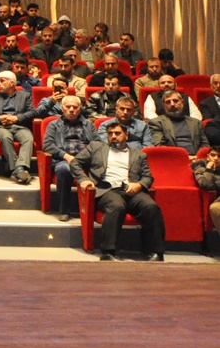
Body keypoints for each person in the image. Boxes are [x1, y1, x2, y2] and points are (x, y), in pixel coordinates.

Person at [71, 120, 165, 261]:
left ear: (126, 135)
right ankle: (108, 252)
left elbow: (148, 177)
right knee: (116, 206)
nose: (113, 136)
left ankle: (156, 252)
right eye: (110, 134)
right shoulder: (96, 147)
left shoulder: (139, 155)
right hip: (107, 190)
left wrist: (139, 185)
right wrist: (83, 179)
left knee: (151, 207)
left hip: (131, 190)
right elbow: (75, 163)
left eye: (117, 133)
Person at [42, 95, 97, 221]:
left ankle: (95, 209)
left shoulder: (88, 124)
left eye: (75, 107)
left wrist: (85, 156)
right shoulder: (53, 125)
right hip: (63, 160)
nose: (71, 109)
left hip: (86, 159)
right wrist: (66, 156)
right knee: (64, 169)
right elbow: (48, 145)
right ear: (62, 108)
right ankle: (64, 210)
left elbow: (98, 143)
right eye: (68, 107)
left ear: (80, 108)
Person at [0, 71, 35, 183]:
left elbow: (33, 112)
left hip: (19, 126)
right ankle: (18, 170)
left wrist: (17, 118)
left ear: (11, 83)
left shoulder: (25, 96)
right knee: (5, 137)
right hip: (1, 127)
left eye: (2, 81)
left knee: (28, 138)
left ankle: (20, 167)